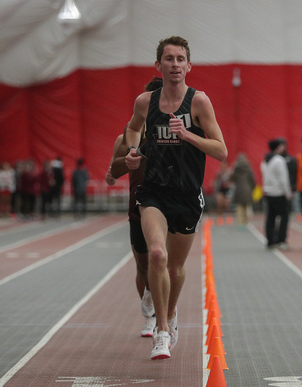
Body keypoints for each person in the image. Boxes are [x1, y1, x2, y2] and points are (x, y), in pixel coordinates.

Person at [124, 36, 227, 360]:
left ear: (189, 66)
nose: (175, 65)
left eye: (181, 59)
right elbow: (133, 128)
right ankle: (162, 331)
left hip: (186, 194)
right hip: (153, 191)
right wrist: (132, 150)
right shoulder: (145, 102)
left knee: (177, 266)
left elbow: (221, 150)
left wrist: (187, 135)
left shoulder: (199, 102)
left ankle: (170, 312)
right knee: (157, 254)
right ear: (159, 65)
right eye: (169, 59)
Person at [108, 76, 164, 338]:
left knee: (163, 261)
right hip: (138, 206)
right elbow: (112, 172)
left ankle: (165, 316)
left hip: (167, 204)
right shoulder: (128, 135)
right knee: (143, 265)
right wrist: (129, 157)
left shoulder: (172, 132)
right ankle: (149, 315)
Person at [261, 139, 292, 249]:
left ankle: (270, 240)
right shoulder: (279, 160)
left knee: (270, 217)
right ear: (277, 148)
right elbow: (283, 178)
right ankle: (281, 240)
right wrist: (288, 193)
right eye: (281, 146)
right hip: (279, 193)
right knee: (284, 217)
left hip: (269, 192)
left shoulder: (265, 161)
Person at [230, 153, 255, 228]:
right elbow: (252, 180)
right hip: (247, 189)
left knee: (240, 207)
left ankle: (240, 223)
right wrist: (252, 187)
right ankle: (246, 222)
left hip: (238, 189)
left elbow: (232, 178)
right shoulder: (248, 168)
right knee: (246, 206)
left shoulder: (236, 168)